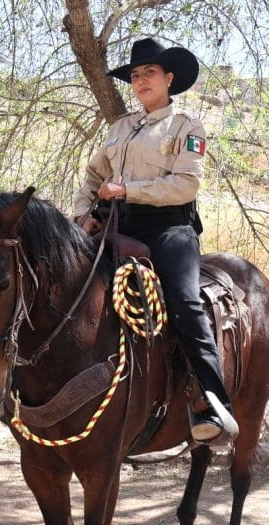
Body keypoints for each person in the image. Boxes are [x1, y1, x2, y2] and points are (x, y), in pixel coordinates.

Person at [73, 38, 238, 444]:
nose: (140, 80)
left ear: (169, 78)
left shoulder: (187, 128)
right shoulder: (119, 128)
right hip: (117, 227)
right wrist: (82, 214)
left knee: (183, 302)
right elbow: (93, 178)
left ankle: (213, 401)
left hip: (169, 230)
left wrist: (126, 189)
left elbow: (185, 185)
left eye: (149, 73)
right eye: (135, 75)